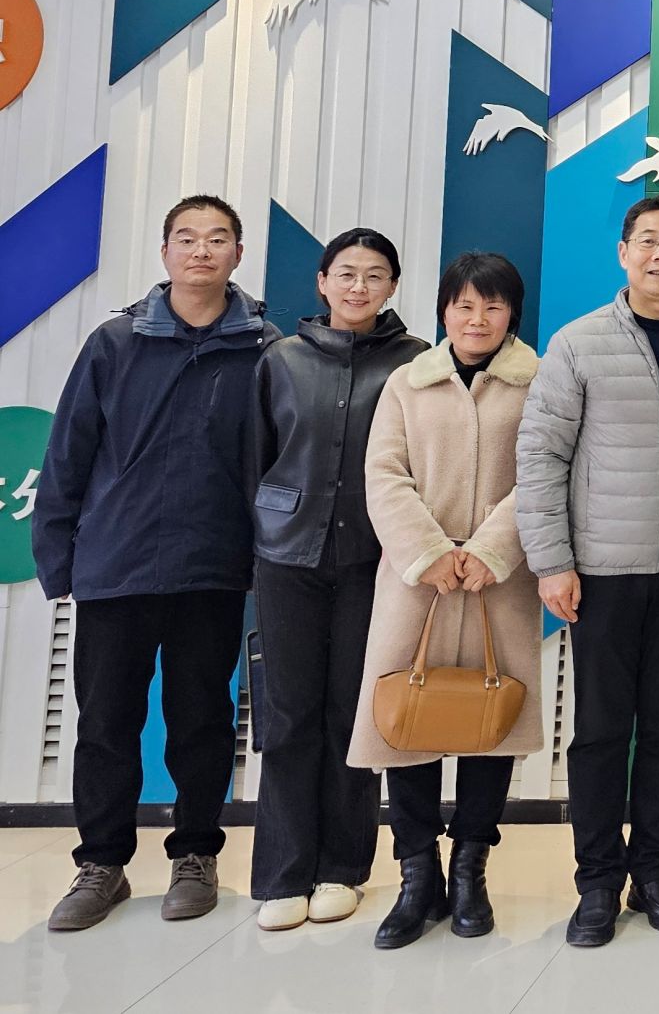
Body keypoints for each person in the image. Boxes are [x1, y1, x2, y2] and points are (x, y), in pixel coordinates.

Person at [36, 195, 278, 932]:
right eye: (187, 237)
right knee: (107, 722)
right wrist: (58, 558)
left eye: (217, 238)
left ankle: (195, 853)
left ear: (238, 254)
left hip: (213, 564)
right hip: (117, 564)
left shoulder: (264, 348)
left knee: (201, 719)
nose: (201, 250)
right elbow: (68, 452)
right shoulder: (114, 342)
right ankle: (101, 864)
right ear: (165, 252)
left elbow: (278, 459)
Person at [515, 196, 659, 949]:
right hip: (601, 571)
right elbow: (540, 457)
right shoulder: (578, 343)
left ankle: (656, 873)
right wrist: (552, 561)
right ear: (623, 252)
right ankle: (598, 881)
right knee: (602, 731)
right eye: (647, 240)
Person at [348, 253, 544, 950]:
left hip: (500, 580)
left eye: (492, 306)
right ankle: (417, 876)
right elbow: (383, 474)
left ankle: (469, 869)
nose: (477, 319)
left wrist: (489, 550)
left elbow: (544, 474)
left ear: (512, 313)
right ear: (443, 311)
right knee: (408, 722)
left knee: (491, 720)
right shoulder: (408, 381)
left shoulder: (540, 382)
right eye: (463, 305)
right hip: (417, 581)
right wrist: (428, 551)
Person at [246, 228, 426, 931]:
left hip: (373, 562)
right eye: (346, 273)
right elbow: (256, 457)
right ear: (322, 282)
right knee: (288, 713)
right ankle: (283, 873)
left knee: (355, 713)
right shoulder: (280, 359)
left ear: (392, 286)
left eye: (375, 274)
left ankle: (343, 868)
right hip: (286, 556)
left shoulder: (415, 361)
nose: (359, 286)